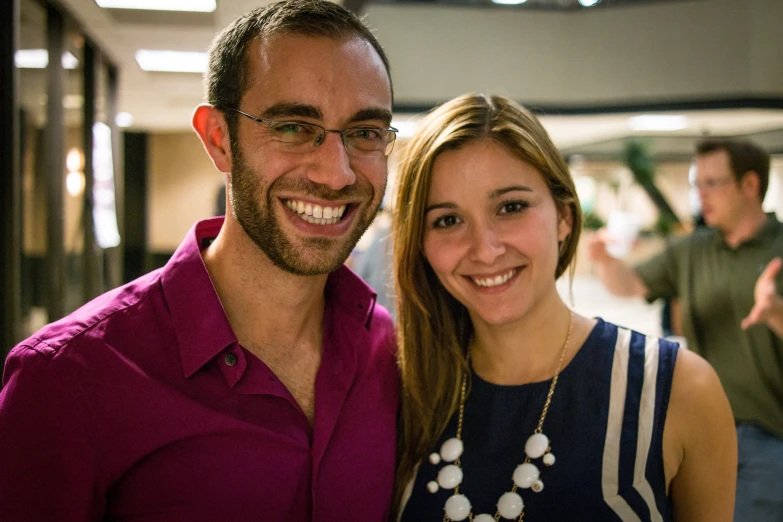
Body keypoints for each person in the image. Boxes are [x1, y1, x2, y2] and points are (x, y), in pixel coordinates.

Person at [0, 1, 399, 520]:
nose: (336, 173)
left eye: (365, 133)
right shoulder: (66, 380)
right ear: (219, 140)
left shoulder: (386, 350)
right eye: (293, 127)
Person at [392, 93, 737, 522]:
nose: (485, 249)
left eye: (511, 207)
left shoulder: (677, 390)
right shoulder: (398, 394)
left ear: (564, 217)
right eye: (447, 220)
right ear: (420, 244)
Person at [587, 138, 783, 521]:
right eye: (698, 183)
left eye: (713, 183)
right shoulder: (692, 249)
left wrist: (775, 312)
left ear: (750, 185)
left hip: (770, 435)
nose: (701, 194)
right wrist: (604, 260)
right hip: (703, 428)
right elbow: (629, 285)